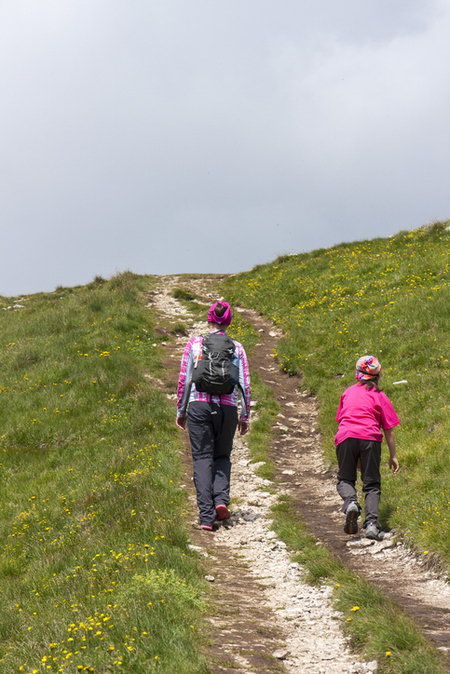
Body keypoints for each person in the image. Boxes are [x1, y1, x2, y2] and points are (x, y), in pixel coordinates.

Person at [176, 301, 251, 531]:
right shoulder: (236, 347)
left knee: (201, 458)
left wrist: (182, 410)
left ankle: (206, 516)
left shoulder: (194, 344)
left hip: (199, 406)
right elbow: (244, 383)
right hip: (227, 408)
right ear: (228, 322)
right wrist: (245, 415)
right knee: (222, 456)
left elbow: (184, 379)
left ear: (209, 319)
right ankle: (220, 500)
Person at [335, 355, 400, 540]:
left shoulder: (347, 393)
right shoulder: (380, 396)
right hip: (370, 439)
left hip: (345, 436)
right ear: (378, 376)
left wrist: (355, 455)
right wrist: (393, 456)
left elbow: (342, 420)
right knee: (371, 484)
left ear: (357, 374)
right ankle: (371, 525)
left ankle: (351, 504)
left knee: (345, 479)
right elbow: (389, 430)